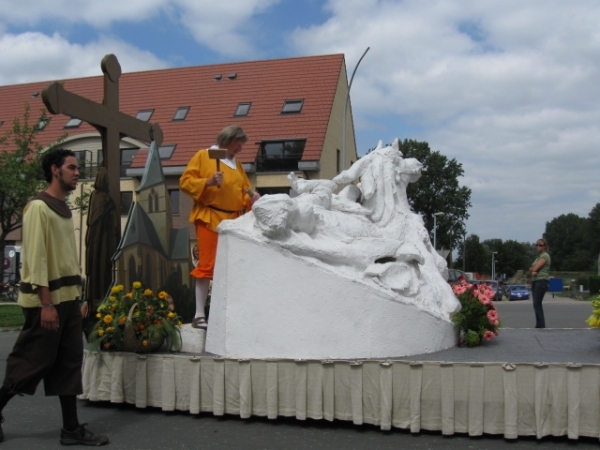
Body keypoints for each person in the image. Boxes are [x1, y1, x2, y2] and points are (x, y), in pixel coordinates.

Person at [0, 149, 108, 445]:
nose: (77, 172)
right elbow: (36, 260)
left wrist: (77, 298)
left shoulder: (63, 207)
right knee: (32, 363)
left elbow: (65, 260)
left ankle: (71, 430)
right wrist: (46, 303)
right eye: (72, 167)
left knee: (69, 364)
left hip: (69, 302)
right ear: (54, 170)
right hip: (45, 305)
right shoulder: (38, 207)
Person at [180, 126, 260, 329]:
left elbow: (243, 190)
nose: (240, 149)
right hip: (210, 216)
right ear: (228, 140)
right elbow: (185, 182)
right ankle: (199, 314)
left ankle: (227, 311)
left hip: (233, 220)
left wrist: (252, 198)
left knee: (231, 266)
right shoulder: (204, 155)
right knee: (207, 265)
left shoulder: (237, 164)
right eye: (238, 145)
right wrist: (207, 181)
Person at [529, 238, 551, 328]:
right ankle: (539, 325)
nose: (538, 246)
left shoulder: (545, 256)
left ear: (545, 247)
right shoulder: (539, 257)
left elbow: (533, 268)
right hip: (535, 281)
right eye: (537, 245)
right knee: (536, 304)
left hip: (541, 281)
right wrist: (533, 269)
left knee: (537, 304)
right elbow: (530, 269)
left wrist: (533, 269)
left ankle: (541, 325)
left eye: (540, 245)